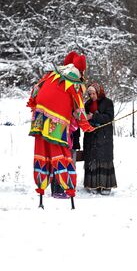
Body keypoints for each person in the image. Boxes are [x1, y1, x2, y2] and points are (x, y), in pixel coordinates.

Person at [27, 51, 94, 208]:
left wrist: (33, 104)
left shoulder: (50, 75)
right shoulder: (74, 83)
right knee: (61, 156)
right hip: (56, 124)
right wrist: (86, 126)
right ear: (81, 71)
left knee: (41, 154)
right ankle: (69, 191)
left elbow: (35, 90)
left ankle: (41, 189)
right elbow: (79, 108)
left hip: (38, 119)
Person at [83, 82, 117, 195]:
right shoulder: (87, 104)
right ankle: (92, 184)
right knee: (92, 158)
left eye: (93, 93)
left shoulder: (108, 103)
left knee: (104, 158)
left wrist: (94, 116)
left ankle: (106, 185)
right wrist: (86, 119)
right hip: (91, 136)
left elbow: (109, 117)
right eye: (90, 94)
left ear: (98, 92)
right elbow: (84, 117)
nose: (92, 96)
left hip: (104, 136)